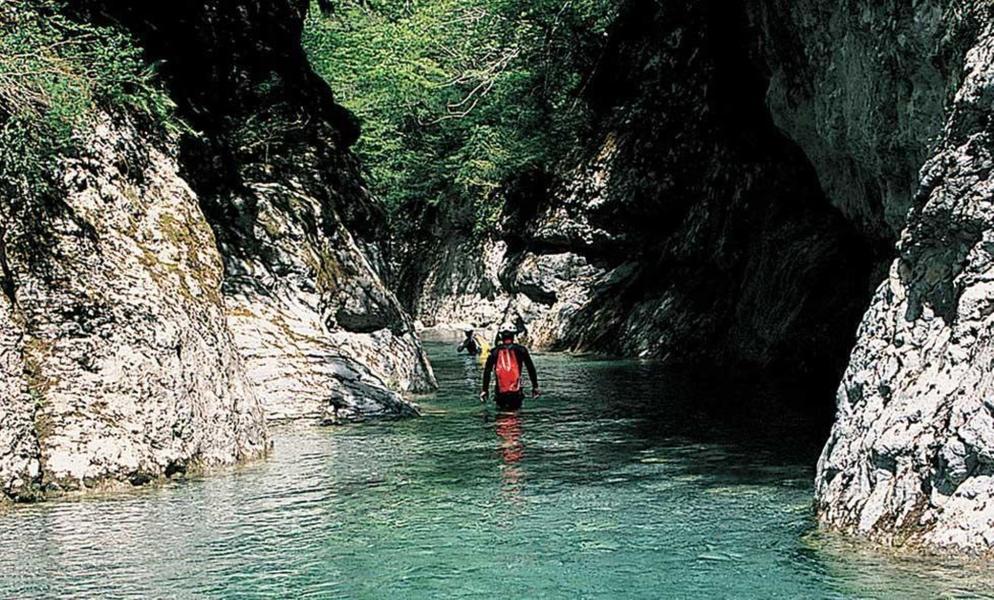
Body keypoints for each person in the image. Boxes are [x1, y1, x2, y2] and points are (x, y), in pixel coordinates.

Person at [480, 325, 539, 411]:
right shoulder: (521, 350)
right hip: (516, 391)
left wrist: (485, 390)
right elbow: (530, 368)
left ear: (501, 335)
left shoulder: (494, 352)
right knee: (516, 414)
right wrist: (535, 386)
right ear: (514, 335)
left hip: (500, 392)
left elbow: (487, 371)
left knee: (501, 415)